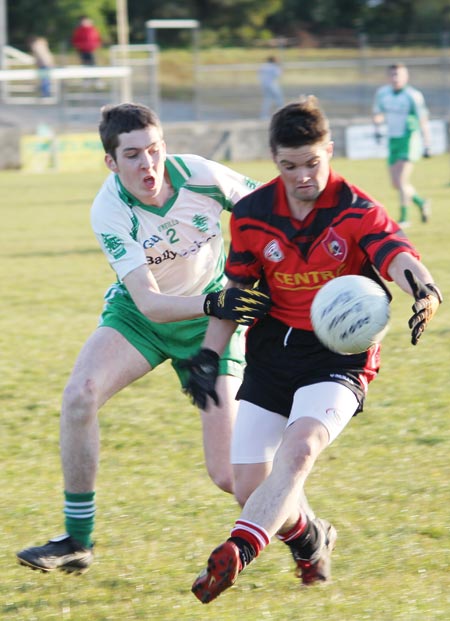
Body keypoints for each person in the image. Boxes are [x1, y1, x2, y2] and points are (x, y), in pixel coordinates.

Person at [182, 96, 442, 604]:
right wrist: (210, 355)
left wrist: (425, 290)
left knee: (300, 451)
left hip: (339, 358)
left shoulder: (357, 209)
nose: (303, 176)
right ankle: (310, 538)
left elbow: (397, 256)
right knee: (247, 486)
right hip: (274, 352)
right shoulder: (253, 215)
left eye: (313, 163)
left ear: (330, 149)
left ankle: (239, 548)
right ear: (274, 160)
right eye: (290, 166)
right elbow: (237, 294)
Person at [16, 102, 270, 574]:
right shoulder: (109, 208)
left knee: (229, 474)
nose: (147, 164)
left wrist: (254, 278)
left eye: (153, 150)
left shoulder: (199, 175)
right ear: (110, 162)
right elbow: (151, 302)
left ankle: (306, 527)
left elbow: (266, 209)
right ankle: (77, 540)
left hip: (210, 325)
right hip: (143, 317)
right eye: (132, 155)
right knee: (79, 396)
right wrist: (218, 302)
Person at [373, 63, 432, 227]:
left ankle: (405, 218)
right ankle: (421, 203)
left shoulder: (413, 96)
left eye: (398, 75)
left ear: (406, 77)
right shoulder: (383, 93)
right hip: (393, 140)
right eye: (392, 75)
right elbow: (377, 113)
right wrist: (377, 128)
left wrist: (427, 143)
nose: (395, 78)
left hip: (409, 139)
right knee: (396, 184)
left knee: (401, 180)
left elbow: (423, 119)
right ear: (388, 76)